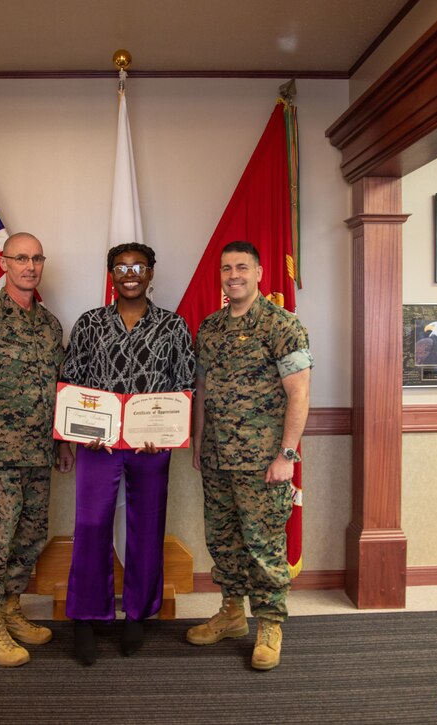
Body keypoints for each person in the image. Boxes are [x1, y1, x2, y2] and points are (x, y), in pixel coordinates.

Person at [58, 242, 195, 665]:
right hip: (97, 445)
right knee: (92, 525)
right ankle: (85, 615)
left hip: (151, 446)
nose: (130, 273)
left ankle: (137, 612)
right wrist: (70, 437)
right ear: (111, 275)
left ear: (151, 273)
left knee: (147, 526)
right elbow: (71, 383)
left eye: (138, 266)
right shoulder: (89, 324)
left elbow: (184, 386)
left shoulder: (173, 327)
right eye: (121, 267)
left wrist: (168, 434)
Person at [186, 240, 312, 671]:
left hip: (264, 464)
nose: (233, 275)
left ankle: (270, 624)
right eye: (226, 268)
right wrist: (199, 439)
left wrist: (287, 455)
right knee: (223, 542)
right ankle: (232, 612)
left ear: (259, 272)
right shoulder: (210, 328)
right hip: (219, 459)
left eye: (242, 267)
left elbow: (300, 394)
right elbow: (202, 390)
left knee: (264, 547)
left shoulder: (283, 326)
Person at [0, 232, 74, 667]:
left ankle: (10, 608)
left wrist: (60, 443)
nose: (30, 265)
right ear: (3, 264)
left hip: (38, 454)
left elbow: (58, 388)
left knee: (29, 538)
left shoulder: (49, 324)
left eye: (36, 258)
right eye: (20, 258)